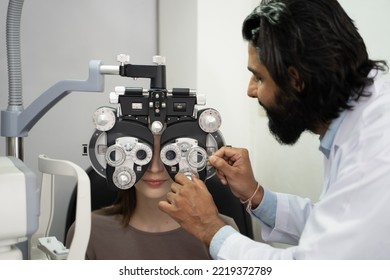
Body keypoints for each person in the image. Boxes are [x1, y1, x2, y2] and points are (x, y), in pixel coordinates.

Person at [158, 0, 390, 259]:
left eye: (259, 77)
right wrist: (255, 195)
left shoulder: (375, 152)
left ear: (296, 80)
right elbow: (338, 225)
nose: (250, 90)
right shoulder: (360, 122)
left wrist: (210, 228)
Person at [66, 134, 237, 260]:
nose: (154, 168)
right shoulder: (87, 231)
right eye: (142, 154)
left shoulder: (221, 232)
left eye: (169, 154)